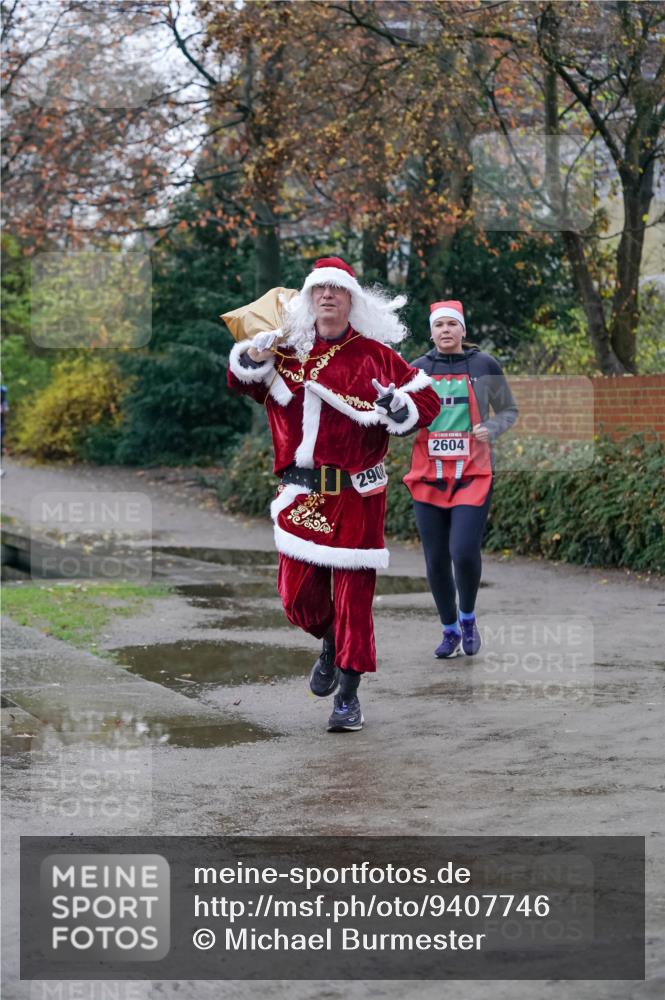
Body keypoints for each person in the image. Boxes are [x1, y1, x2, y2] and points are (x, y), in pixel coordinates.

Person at [227, 257, 439, 732]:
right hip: (300, 495)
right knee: (297, 600)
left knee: (353, 603)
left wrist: (397, 405)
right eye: (319, 289)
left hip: (357, 496)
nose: (327, 295)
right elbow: (239, 381)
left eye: (337, 290)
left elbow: (427, 401)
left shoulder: (375, 356)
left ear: (351, 300)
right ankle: (330, 642)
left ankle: (348, 695)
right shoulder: (285, 353)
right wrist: (254, 356)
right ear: (308, 299)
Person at [403, 300, 518, 658]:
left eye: (452, 324)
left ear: (463, 330)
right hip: (428, 475)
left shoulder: (484, 365)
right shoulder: (417, 370)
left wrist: (492, 427)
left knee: (463, 551)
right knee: (436, 559)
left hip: (473, 473)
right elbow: (402, 421)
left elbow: (509, 410)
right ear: (432, 332)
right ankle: (449, 630)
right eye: (439, 325)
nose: (446, 330)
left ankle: (468, 618)